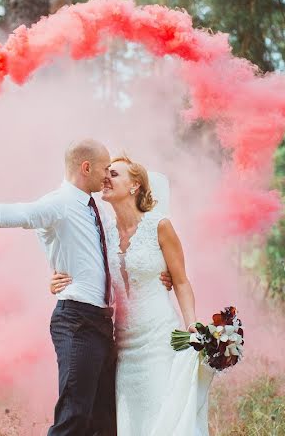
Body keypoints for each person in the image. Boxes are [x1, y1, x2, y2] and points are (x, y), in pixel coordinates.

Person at [0, 139, 171, 435]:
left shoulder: (94, 208)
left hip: (101, 324)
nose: (107, 175)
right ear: (86, 167)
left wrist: (160, 274)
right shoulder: (60, 202)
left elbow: (113, 258)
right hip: (77, 321)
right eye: (104, 168)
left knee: (105, 420)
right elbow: (25, 214)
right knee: (75, 415)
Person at [51, 156, 213, 435]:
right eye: (106, 174)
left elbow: (181, 281)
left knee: (162, 414)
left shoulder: (159, 226)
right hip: (123, 343)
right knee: (132, 422)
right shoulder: (103, 232)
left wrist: (191, 325)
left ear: (135, 185)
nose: (105, 179)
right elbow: (82, 266)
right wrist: (58, 278)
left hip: (159, 336)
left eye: (113, 174)